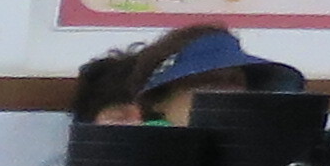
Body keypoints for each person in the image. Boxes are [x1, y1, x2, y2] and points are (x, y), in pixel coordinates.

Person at [72, 22, 283, 125]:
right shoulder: (130, 159)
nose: (226, 92)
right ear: (158, 100)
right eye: (208, 81)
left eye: (235, 80)